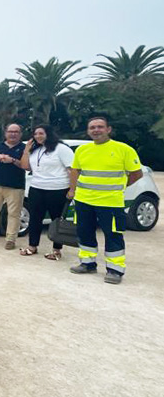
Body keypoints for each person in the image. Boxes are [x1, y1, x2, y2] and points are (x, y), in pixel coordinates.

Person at [68, 117, 142, 284]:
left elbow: (137, 173)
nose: (96, 130)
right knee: (84, 232)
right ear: (88, 131)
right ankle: (87, 263)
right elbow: (75, 171)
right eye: (92, 127)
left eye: (100, 127)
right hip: (84, 200)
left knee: (113, 235)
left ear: (108, 129)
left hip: (110, 202)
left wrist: (119, 187)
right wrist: (72, 191)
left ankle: (115, 270)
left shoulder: (123, 149)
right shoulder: (82, 150)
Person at [17, 125, 74, 259]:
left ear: (49, 133)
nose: (38, 136)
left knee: (57, 220)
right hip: (37, 187)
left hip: (57, 189)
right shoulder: (35, 150)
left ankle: (56, 250)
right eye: (35, 134)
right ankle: (32, 246)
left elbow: (72, 170)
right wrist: (26, 150)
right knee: (35, 219)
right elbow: (25, 166)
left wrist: (72, 189)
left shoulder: (61, 149)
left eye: (41, 133)